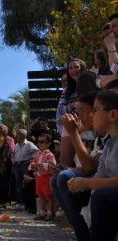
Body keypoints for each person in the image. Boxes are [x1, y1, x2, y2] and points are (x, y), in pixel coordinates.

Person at [51, 91, 109, 241]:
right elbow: (88, 167)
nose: (80, 116)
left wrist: (73, 133)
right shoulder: (100, 137)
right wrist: (65, 168)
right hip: (97, 180)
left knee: (64, 178)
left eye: (83, 110)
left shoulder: (106, 136)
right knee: (58, 176)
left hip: (103, 185)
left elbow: (90, 168)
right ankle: (81, 231)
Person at [67, 89, 118, 241]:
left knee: (103, 195)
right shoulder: (109, 145)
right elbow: (99, 175)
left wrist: (88, 183)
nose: (90, 115)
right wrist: (80, 184)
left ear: (113, 114)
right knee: (67, 183)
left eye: (95, 110)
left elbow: (93, 177)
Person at [58, 59, 86, 167]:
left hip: (87, 123)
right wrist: (74, 105)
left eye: (77, 67)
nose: (74, 70)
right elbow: (61, 109)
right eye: (70, 68)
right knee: (64, 163)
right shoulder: (66, 90)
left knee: (84, 163)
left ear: (82, 68)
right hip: (70, 123)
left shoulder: (90, 83)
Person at [29, 134, 57, 220]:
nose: (39, 144)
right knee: (41, 196)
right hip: (39, 179)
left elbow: (52, 166)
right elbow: (31, 167)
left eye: (42, 142)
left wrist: (38, 165)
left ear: (48, 144)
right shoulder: (37, 155)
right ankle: (42, 212)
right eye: (38, 142)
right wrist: (33, 166)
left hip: (46, 178)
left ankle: (50, 212)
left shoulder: (50, 155)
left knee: (49, 196)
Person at [11, 129, 39, 202]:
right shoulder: (16, 145)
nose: (16, 136)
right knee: (18, 183)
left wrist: (30, 159)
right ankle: (20, 201)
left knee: (26, 182)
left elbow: (37, 152)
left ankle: (27, 201)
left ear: (21, 135)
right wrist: (13, 161)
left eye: (17, 134)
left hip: (25, 164)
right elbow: (13, 155)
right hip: (17, 165)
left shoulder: (29, 144)